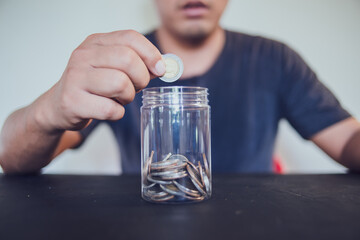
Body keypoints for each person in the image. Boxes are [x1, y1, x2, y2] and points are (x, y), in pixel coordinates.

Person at [0, 0, 359, 174]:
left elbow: (347, 141)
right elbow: (10, 158)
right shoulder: (114, 65)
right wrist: (49, 110)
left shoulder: (275, 59)